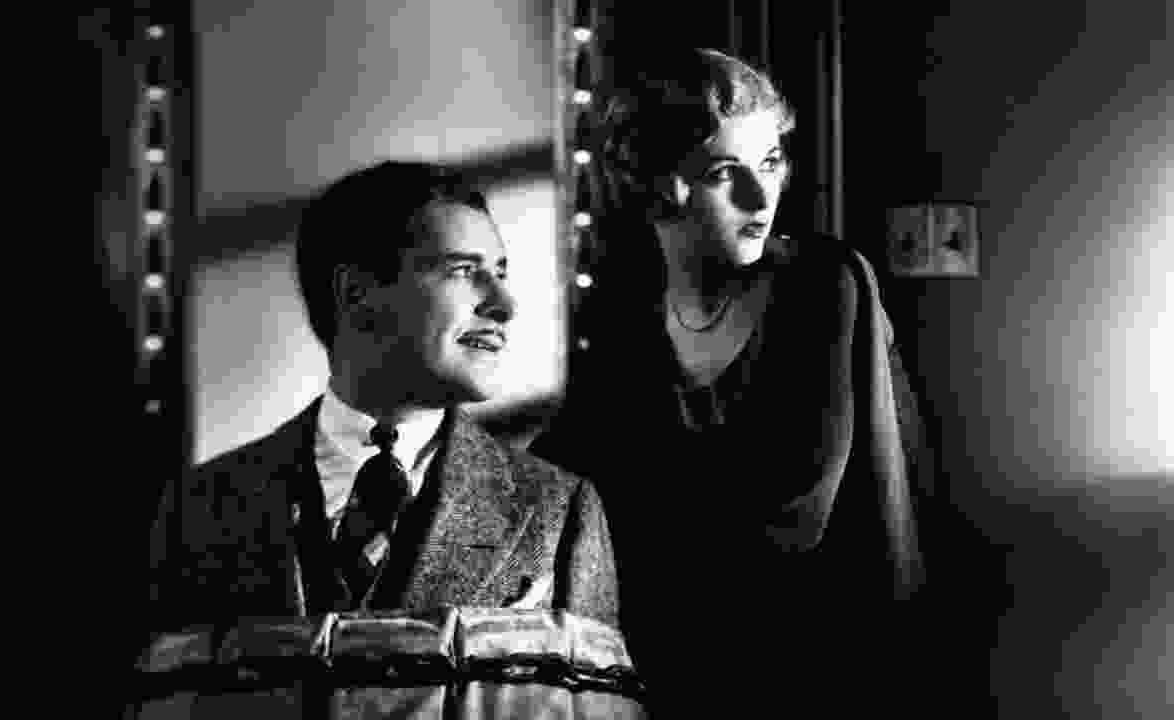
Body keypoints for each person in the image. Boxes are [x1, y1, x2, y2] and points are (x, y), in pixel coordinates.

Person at [531, 48, 935, 706]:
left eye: (770, 163)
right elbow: (577, 474)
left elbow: (796, 510)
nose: (761, 196)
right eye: (726, 173)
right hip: (663, 669)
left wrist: (648, 527)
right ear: (661, 185)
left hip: (817, 669)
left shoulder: (823, 284)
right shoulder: (628, 309)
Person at [148, 161, 619, 635]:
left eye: (499, 272)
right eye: (463, 271)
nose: (505, 304)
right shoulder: (200, 510)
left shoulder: (558, 512)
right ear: (356, 294)